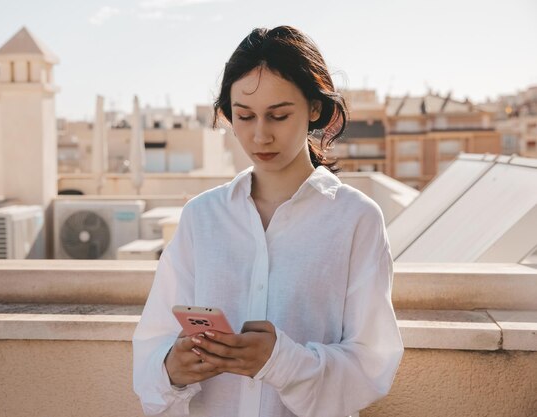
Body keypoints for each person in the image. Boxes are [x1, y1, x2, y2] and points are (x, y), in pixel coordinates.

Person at [132, 25, 403, 417]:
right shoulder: (202, 217)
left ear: (314, 108)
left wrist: (281, 362)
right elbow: (153, 342)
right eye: (244, 116)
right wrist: (171, 368)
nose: (260, 136)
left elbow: (373, 364)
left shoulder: (355, 218)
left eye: (278, 116)